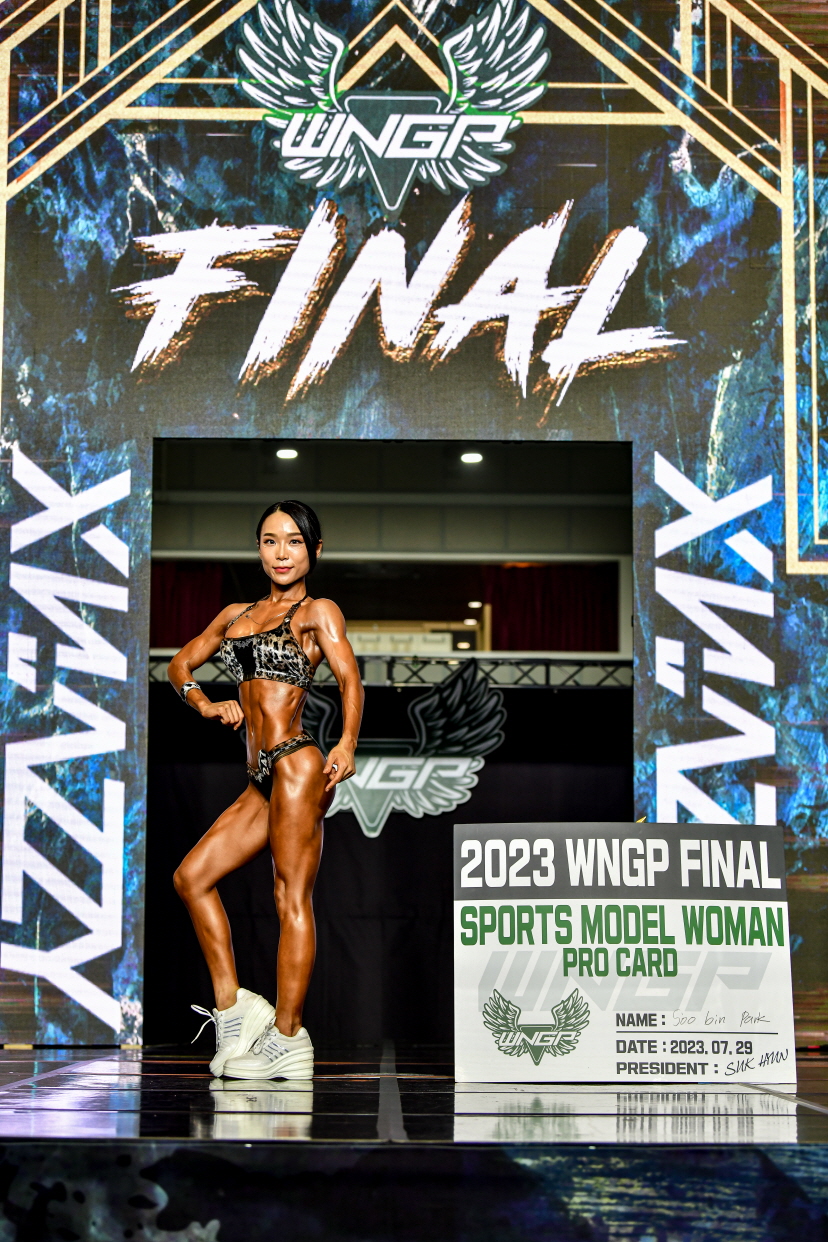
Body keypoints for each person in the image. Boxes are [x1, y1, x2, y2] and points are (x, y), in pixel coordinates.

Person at [168, 500, 363, 1080]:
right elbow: (180, 665)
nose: (282, 552)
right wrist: (205, 704)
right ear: (258, 548)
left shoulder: (318, 612)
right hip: (259, 776)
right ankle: (233, 1009)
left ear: (314, 551)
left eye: (295, 541)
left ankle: (288, 1036)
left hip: (297, 764)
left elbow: (350, 679)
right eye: (271, 540)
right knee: (191, 878)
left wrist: (347, 742)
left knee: (288, 898)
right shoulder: (236, 615)